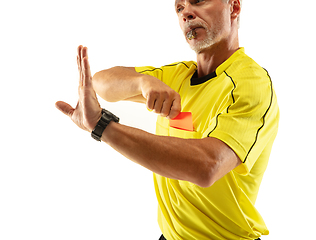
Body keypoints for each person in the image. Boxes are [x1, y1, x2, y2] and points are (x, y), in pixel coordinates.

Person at [55, 0, 280, 239]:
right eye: (179, 8)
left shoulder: (250, 83)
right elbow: (102, 82)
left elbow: (207, 166)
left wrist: (103, 127)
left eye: (198, 1)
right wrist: (143, 82)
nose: (187, 14)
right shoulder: (178, 76)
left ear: (233, 7)